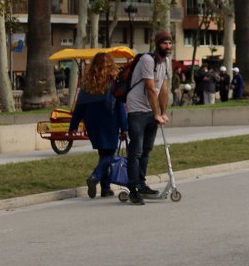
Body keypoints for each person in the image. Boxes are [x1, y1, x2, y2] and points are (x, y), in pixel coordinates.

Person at [69, 52, 127, 200]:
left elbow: (79, 107)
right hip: (109, 119)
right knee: (110, 154)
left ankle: (106, 189)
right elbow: (120, 105)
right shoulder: (114, 82)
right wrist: (124, 127)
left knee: (103, 154)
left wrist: (73, 125)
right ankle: (94, 177)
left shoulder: (87, 84)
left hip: (92, 122)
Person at [124, 31, 173, 205]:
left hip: (151, 111)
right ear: (157, 44)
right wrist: (156, 114)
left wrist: (163, 112)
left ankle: (142, 183)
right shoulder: (147, 60)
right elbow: (151, 89)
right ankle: (133, 188)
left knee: (146, 150)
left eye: (169, 43)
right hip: (137, 110)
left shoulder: (165, 62)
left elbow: (163, 89)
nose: (168, 46)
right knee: (135, 150)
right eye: (164, 43)